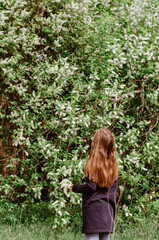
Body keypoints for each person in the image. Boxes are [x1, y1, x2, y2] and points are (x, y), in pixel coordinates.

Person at [70, 129, 118, 240]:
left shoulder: (94, 164)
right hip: (108, 213)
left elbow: (91, 186)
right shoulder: (112, 166)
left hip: (93, 213)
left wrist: (74, 187)